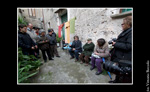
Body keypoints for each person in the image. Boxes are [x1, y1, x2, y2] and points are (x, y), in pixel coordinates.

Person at [109, 16, 132, 83]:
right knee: (118, 71)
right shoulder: (126, 31)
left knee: (123, 74)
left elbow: (129, 46)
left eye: (123, 24)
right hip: (119, 56)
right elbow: (124, 41)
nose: (122, 25)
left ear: (128, 24)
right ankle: (116, 81)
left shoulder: (131, 32)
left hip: (124, 57)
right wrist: (116, 41)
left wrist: (115, 44)